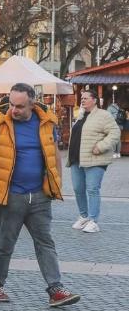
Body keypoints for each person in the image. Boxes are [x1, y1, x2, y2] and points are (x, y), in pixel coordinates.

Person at [0, 83, 80, 307]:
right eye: (12, 105)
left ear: (32, 104)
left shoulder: (46, 122)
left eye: (20, 106)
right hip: (11, 195)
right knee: (6, 243)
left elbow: (53, 153)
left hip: (39, 195)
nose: (14, 110)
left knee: (45, 241)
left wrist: (56, 185)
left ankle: (55, 289)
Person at [67, 90, 121, 234]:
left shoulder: (103, 115)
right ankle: (84, 216)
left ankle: (93, 220)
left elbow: (115, 133)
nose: (82, 100)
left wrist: (101, 146)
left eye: (86, 98)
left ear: (95, 100)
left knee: (92, 189)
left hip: (95, 160)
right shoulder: (81, 116)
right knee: (78, 189)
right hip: (76, 159)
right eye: (82, 98)